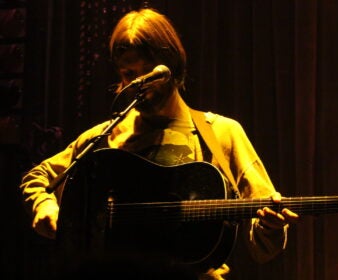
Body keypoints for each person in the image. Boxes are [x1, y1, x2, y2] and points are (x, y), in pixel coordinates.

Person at [19, 8, 299, 280]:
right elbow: (38, 176)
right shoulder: (107, 136)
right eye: (129, 74)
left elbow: (264, 245)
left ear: (172, 66)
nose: (140, 83)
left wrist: (270, 227)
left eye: (149, 73)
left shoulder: (220, 133)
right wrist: (45, 206)